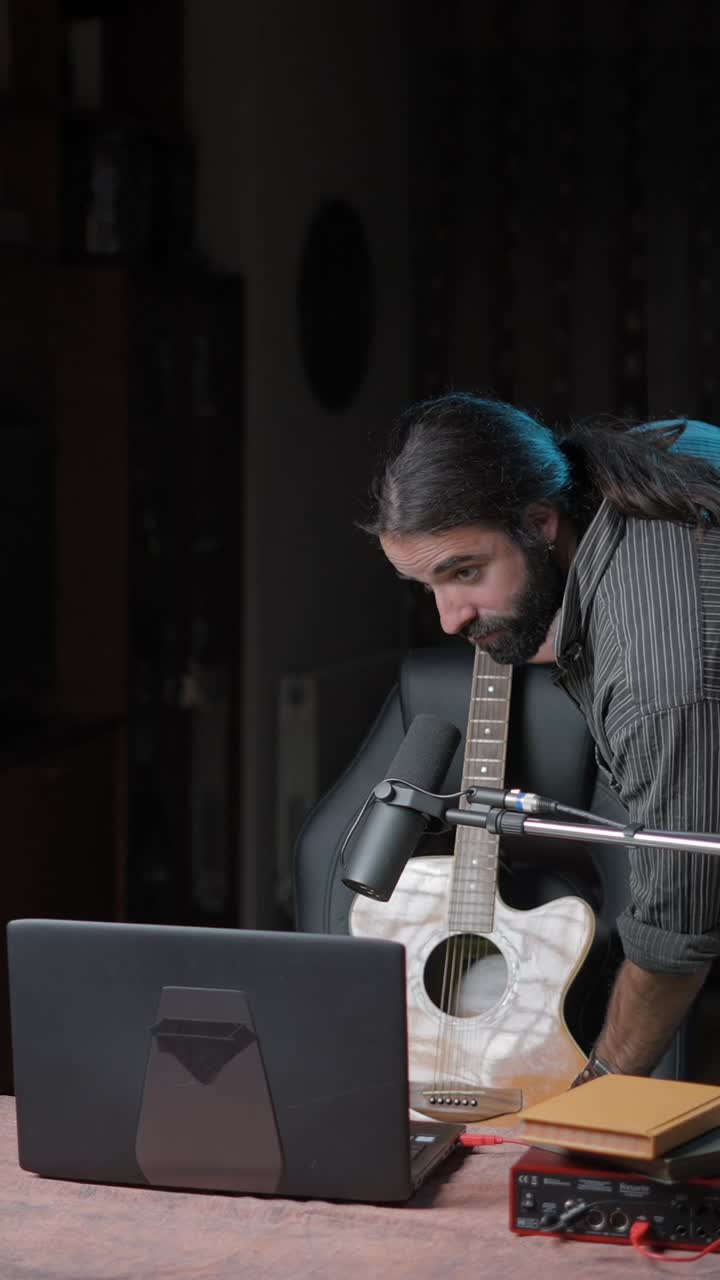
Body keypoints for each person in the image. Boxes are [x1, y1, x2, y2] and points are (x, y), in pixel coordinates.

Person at [363, 393, 720, 1085]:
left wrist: (596, 1098)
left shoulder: (655, 680)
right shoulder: (652, 455)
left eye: (465, 572)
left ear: (539, 523)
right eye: (424, 586)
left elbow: (677, 933)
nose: (449, 618)